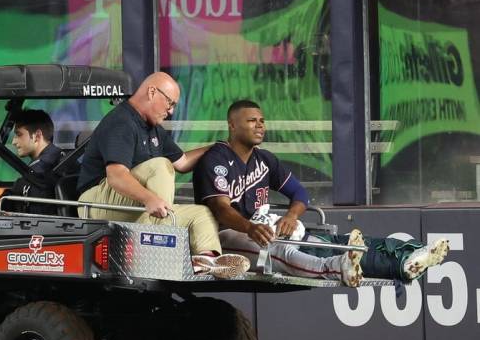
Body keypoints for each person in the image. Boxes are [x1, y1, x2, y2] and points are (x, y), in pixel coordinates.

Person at [192, 99, 449, 287]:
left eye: (262, 121)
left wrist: (292, 215)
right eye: (251, 121)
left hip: (263, 229)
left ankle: (403, 259)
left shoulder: (265, 159)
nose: (259, 126)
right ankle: (337, 269)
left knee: (325, 244)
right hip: (227, 236)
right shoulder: (216, 158)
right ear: (232, 124)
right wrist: (249, 228)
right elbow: (221, 210)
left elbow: (300, 194)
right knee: (280, 253)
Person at [76, 71, 249, 278]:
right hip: (95, 205)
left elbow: (183, 162)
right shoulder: (121, 122)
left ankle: (206, 261)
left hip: (135, 206)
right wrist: (150, 198)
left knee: (201, 214)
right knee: (160, 165)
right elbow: (116, 176)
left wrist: (223, 147)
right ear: (151, 92)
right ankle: (153, 244)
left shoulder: (153, 128)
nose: (171, 111)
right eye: (170, 103)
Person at [6, 109, 62, 215]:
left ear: (37, 135)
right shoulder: (65, 160)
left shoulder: (39, 171)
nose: (14, 141)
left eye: (19, 134)